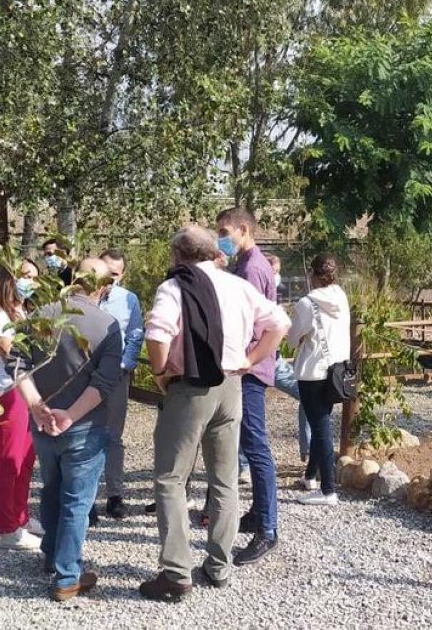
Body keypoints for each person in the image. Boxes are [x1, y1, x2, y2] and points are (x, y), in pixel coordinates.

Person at [139, 225, 289, 600]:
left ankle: (176, 574)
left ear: (177, 255)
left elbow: (157, 333)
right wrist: (251, 359)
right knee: (223, 480)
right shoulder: (237, 285)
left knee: (171, 480)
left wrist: (159, 374)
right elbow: (280, 323)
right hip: (231, 387)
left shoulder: (174, 286)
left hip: (190, 389)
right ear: (213, 252)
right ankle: (219, 567)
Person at [15, 258, 123, 602]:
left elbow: (16, 363)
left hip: (43, 422)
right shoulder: (108, 325)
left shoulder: (39, 315)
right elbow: (103, 382)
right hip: (84, 425)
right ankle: (67, 576)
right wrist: (70, 416)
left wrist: (36, 406)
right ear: (104, 288)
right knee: (77, 501)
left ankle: (51, 554)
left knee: (51, 487)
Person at [215, 207, 282, 566]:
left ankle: (268, 530)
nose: (220, 237)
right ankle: (258, 512)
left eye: (224, 231)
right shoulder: (243, 264)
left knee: (256, 446)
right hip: (246, 367)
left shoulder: (253, 268)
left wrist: (249, 360)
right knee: (249, 442)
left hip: (250, 370)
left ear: (243, 229)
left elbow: (260, 323)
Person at [0, 258, 44, 550]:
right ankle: (7, 527)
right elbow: (11, 356)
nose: (30, 282)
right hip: (9, 392)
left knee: (26, 459)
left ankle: (21, 516)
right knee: (9, 461)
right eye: (25, 276)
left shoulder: (27, 311)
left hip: (29, 390)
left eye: (34, 277)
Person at [289, 255, 351, 506]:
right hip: (337, 371)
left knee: (321, 428)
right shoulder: (341, 297)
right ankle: (310, 476)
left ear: (312, 274)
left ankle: (328, 490)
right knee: (321, 423)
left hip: (313, 372)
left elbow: (292, 339)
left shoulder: (306, 304)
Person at [97, 249, 144, 519]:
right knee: (85, 435)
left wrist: (124, 365)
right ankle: (87, 497)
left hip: (115, 376)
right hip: (86, 376)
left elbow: (136, 334)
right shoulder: (79, 297)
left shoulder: (129, 300)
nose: (109, 278)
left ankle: (115, 495)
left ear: (122, 275)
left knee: (113, 436)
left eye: (114, 274)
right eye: (105, 272)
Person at [266, 254, 306, 463]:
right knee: (247, 412)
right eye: (275, 271)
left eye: (278, 271)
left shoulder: (276, 297)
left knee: (307, 396)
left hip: (275, 360)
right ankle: (243, 465)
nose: (278, 276)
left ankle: (307, 452)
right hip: (260, 361)